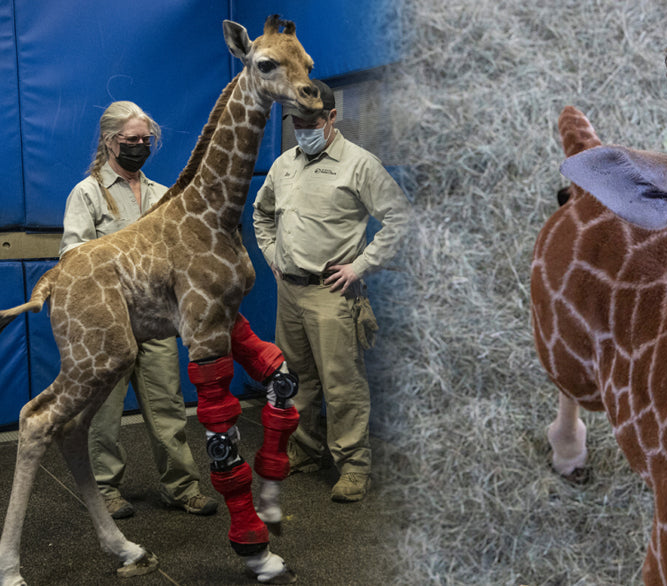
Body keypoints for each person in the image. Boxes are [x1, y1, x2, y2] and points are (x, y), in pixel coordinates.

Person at [253, 80, 409, 503]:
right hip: (291, 292)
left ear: (331, 117)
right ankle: (305, 451)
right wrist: (271, 254)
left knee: (342, 385)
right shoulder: (284, 164)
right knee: (295, 380)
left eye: (311, 121)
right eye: (296, 121)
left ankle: (354, 466)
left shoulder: (358, 164)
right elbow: (262, 213)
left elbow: (399, 217)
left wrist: (360, 266)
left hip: (332, 294)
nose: (303, 128)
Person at [62, 101, 218, 519]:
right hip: (107, 327)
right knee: (105, 415)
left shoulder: (162, 195)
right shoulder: (87, 193)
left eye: (144, 140)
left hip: (156, 320)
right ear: (110, 141)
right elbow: (72, 256)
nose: (138, 147)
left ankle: (181, 486)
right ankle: (106, 492)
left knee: (168, 406)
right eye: (130, 140)